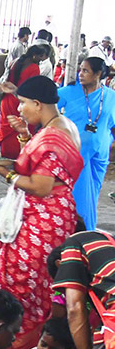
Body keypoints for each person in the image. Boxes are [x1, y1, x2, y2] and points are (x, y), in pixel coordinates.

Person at [0, 76, 81, 349]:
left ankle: (18, 347)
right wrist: (25, 135)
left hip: (44, 219)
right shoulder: (60, 127)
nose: (20, 109)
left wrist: (6, 174)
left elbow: (41, 185)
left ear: (38, 104)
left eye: (24, 104)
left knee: (24, 278)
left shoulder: (53, 137)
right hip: (54, 213)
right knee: (35, 278)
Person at [59, 56, 115, 230]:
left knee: (91, 196)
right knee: (75, 197)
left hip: (99, 156)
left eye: (85, 71)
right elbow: (44, 104)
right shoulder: (68, 92)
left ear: (98, 74)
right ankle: (79, 233)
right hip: (74, 153)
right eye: (80, 70)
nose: (80, 74)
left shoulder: (111, 96)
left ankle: (85, 234)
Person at [0, 44, 48, 158]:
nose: (40, 61)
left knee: (9, 127)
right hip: (22, 101)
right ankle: (21, 156)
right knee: (23, 127)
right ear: (35, 56)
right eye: (40, 57)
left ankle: (7, 154)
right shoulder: (34, 67)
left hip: (7, 99)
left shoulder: (15, 61)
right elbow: (32, 88)